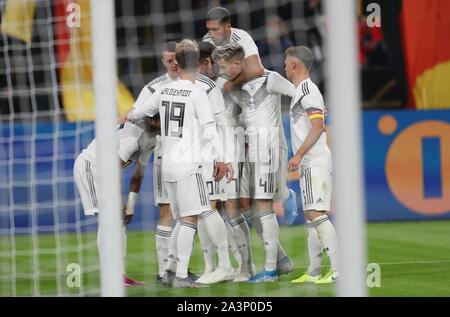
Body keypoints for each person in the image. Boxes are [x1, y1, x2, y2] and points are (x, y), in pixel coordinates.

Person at [128, 39, 230, 288]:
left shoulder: (165, 89)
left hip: (167, 167)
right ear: (197, 63)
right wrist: (222, 158)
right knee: (189, 220)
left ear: (179, 63)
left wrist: (125, 116)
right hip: (189, 166)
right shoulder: (197, 92)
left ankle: (168, 270)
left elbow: (140, 111)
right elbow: (209, 128)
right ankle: (181, 274)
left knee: (179, 218)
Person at [212, 43, 296, 282]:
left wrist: (317, 111)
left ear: (239, 63)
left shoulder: (270, 78)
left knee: (263, 207)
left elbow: (297, 94)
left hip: (269, 150)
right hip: (251, 153)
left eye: (225, 67)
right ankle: (280, 261)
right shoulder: (233, 89)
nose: (223, 71)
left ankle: (270, 270)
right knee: (250, 209)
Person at [73, 114, 160, 287]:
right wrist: (120, 200)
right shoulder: (133, 138)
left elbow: (138, 174)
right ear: (151, 120)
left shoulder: (152, 139)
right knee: (109, 221)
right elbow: (112, 167)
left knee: (116, 222)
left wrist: (131, 204)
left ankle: (118, 274)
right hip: (92, 166)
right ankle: (112, 274)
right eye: (160, 118)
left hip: (102, 170)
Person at [284, 45, 339, 284]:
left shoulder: (308, 91)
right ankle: (314, 270)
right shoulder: (300, 91)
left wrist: (298, 155)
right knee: (310, 215)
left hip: (314, 160)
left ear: (294, 64)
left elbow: (318, 126)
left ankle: (339, 269)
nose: (284, 66)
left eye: (286, 63)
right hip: (310, 161)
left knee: (316, 212)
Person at [130, 41, 179, 284]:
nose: (173, 63)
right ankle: (164, 272)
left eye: (176, 59)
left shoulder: (193, 81)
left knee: (190, 213)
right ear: (163, 61)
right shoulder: (153, 89)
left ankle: (179, 269)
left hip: (191, 157)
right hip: (163, 156)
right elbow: (137, 116)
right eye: (169, 60)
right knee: (167, 211)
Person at [203, 7, 264, 92]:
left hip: (243, 85)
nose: (211, 34)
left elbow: (257, 70)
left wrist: (232, 83)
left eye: (215, 29)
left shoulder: (241, 37)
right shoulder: (207, 39)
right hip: (219, 82)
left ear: (227, 27)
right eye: (208, 29)